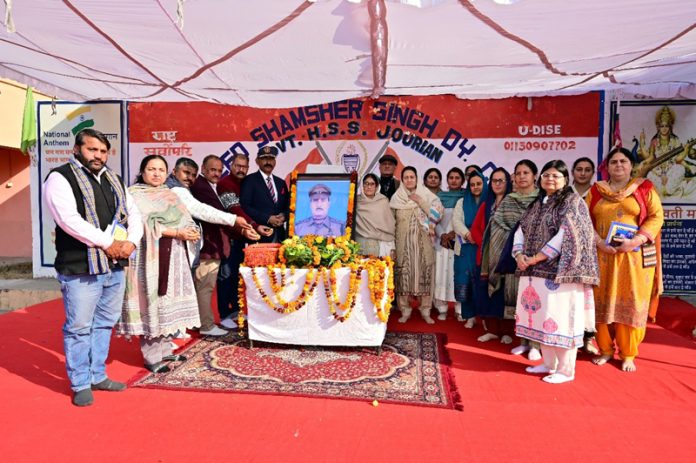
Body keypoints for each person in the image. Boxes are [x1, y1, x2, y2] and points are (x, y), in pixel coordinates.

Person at [43, 128, 143, 407]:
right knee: (79, 327)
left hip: (114, 265)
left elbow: (133, 214)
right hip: (80, 266)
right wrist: (107, 242)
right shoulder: (60, 177)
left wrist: (132, 242)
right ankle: (80, 382)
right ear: (76, 149)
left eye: (102, 151)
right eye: (91, 150)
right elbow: (68, 220)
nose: (98, 156)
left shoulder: (114, 179)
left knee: (104, 323)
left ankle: (98, 374)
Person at [513, 160, 599, 384]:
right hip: (534, 273)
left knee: (560, 321)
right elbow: (521, 229)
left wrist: (536, 257)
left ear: (565, 180)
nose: (549, 179)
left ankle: (566, 370)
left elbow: (566, 235)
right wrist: (519, 255)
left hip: (560, 274)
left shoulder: (572, 202)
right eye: (546, 175)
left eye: (555, 176)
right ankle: (548, 363)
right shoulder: (537, 203)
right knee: (542, 319)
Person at [118, 155, 201, 374]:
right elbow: (140, 224)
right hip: (149, 258)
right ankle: (151, 357)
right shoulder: (133, 194)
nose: (156, 174)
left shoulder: (170, 194)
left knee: (168, 302)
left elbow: (187, 218)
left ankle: (165, 350)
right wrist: (176, 232)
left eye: (161, 169)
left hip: (175, 255)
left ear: (167, 173)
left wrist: (191, 231)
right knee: (152, 302)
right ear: (143, 171)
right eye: (151, 169)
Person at [586, 147, 664, 372]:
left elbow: (656, 216)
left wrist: (636, 240)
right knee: (602, 302)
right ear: (607, 167)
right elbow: (585, 220)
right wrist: (599, 242)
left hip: (633, 257)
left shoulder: (644, 188)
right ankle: (606, 350)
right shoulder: (596, 190)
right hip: (603, 256)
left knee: (630, 303)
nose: (618, 165)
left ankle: (629, 353)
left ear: (631, 166)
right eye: (613, 162)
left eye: (623, 161)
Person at [191, 155, 257, 335]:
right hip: (208, 247)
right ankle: (206, 326)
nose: (216, 174)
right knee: (206, 287)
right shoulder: (201, 187)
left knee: (206, 286)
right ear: (203, 169)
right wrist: (244, 228)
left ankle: (202, 322)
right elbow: (218, 214)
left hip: (216, 245)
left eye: (219, 170)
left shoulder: (210, 186)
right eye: (212, 170)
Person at [487, 159, 543, 361]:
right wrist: (514, 243)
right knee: (518, 300)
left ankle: (536, 344)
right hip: (514, 258)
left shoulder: (542, 199)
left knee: (536, 300)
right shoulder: (508, 200)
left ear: (535, 176)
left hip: (538, 260)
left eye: (525, 173)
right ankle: (523, 341)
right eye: (518, 173)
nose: (521, 177)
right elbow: (498, 225)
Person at [217, 154, 273, 327]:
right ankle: (224, 315)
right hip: (227, 237)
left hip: (241, 237)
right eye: (238, 166)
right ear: (231, 165)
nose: (241, 170)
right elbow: (235, 210)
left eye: (244, 167)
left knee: (236, 276)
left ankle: (235, 310)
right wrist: (255, 225)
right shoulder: (225, 184)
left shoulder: (247, 183)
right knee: (225, 276)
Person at [390, 166, 443, 324]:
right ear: (402, 180)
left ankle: (425, 310)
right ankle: (405, 310)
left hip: (423, 246)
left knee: (424, 276)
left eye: (412, 177)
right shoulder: (396, 199)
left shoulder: (427, 195)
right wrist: (392, 246)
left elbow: (438, 214)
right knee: (403, 277)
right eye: (406, 177)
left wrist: (421, 201)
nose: (409, 180)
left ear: (416, 178)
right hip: (403, 246)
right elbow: (391, 224)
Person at [471, 167, 512, 342]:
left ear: (508, 182)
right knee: (487, 293)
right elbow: (475, 229)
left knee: (505, 293)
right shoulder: (486, 205)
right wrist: (488, 245)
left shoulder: (513, 203)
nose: (497, 184)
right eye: (494, 181)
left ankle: (507, 332)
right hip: (487, 258)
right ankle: (492, 330)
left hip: (508, 256)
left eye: (501, 180)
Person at [571, 156, 599, 354]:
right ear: (572, 172)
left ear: (592, 173)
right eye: (579, 169)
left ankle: (588, 338)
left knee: (588, 297)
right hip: (567, 253)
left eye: (587, 169)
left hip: (592, 251)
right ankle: (569, 337)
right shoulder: (565, 192)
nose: (582, 173)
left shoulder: (599, 193)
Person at [452, 168, 487, 328]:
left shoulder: (490, 202)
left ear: (484, 184)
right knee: (465, 280)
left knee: (482, 282)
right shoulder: (461, 202)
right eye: (472, 184)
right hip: (465, 248)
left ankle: (486, 317)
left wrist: (479, 236)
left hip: (483, 247)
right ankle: (470, 316)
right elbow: (456, 221)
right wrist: (468, 235)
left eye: (478, 184)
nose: (475, 187)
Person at [433, 168, 465, 320]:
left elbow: (467, 219)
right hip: (442, 242)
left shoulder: (467, 197)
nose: (454, 180)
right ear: (447, 180)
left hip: (459, 241)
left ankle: (460, 309)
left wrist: (455, 234)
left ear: (462, 180)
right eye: (451, 177)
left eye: (457, 178)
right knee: (441, 274)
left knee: (457, 274)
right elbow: (433, 219)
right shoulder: (440, 197)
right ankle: (442, 308)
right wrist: (443, 235)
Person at [637, 106, 690, 198]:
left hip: (671, 169)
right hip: (657, 170)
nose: (664, 128)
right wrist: (642, 143)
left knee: (680, 169)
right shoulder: (654, 141)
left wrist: (686, 150)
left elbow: (678, 159)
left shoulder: (675, 140)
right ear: (658, 127)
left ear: (670, 127)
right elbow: (650, 158)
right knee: (649, 175)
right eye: (662, 126)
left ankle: (666, 190)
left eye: (666, 126)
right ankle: (667, 190)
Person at [240, 146, 290, 243]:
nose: (268, 162)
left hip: (280, 236)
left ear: (275, 161)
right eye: (264, 158)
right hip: (259, 236)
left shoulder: (281, 182)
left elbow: (288, 206)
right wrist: (268, 218)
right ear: (257, 161)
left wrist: (284, 216)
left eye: (271, 158)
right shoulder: (249, 180)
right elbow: (245, 207)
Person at [354, 173, 395, 257]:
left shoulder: (383, 201)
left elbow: (390, 224)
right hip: (361, 243)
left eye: (372, 184)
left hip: (382, 243)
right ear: (363, 186)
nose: (369, 187)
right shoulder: (356, 201)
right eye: (366, 183)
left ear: (376, 187)